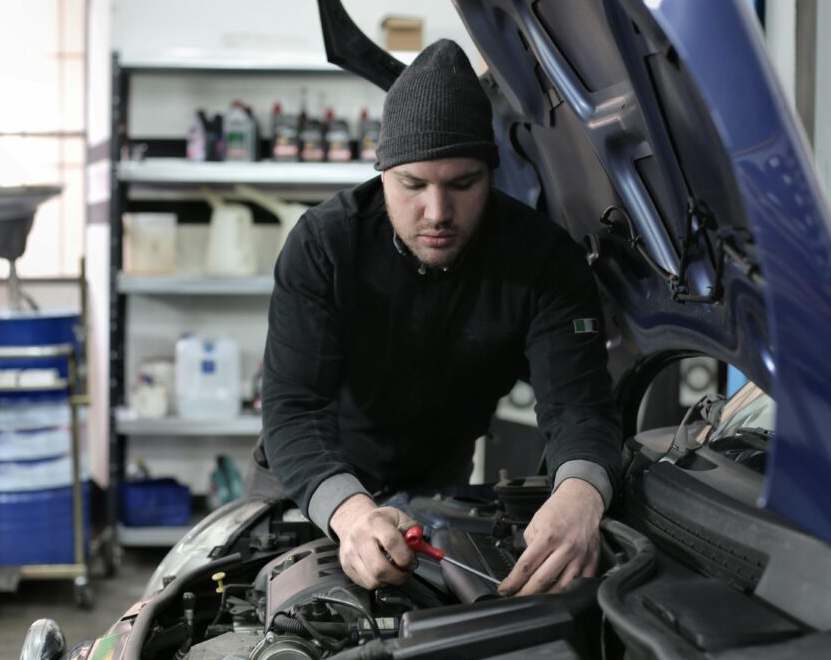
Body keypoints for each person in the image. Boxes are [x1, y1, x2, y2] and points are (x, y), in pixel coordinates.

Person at [257, 39, 622, 597]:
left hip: (438, 489)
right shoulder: (325, 246)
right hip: (310, 484)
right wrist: (352, 514)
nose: (438, 213)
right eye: (413, 185)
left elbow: (579, 404)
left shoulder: (543, 260)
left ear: (489, 173)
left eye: (462, 183)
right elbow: (293, 411)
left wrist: (579, 494)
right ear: (381, 174)